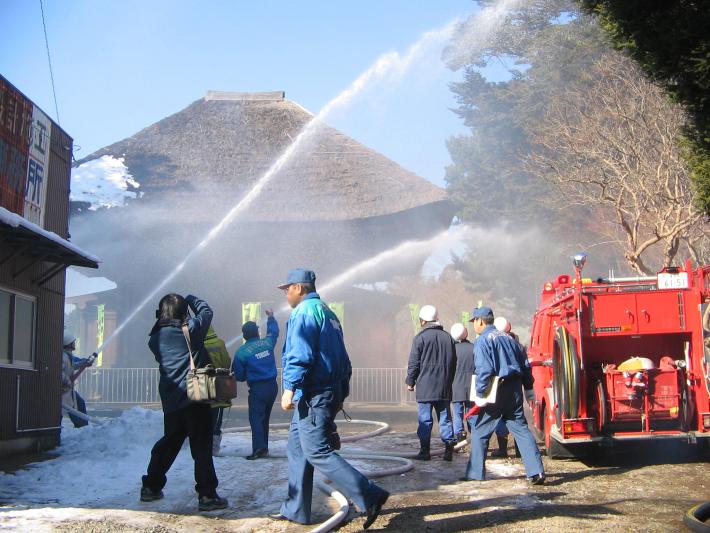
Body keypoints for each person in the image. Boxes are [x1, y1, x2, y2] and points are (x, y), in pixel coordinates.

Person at [275, 268, 388, 529]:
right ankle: (296, 509)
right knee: (297, 449)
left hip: (313, 393)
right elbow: (344, 360)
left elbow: (300, 353)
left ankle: (370, 496)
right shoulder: (328, 312)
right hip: (322, 391)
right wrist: (340, 392)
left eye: (287, 288)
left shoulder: (303, 312)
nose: (285, 294)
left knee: (316, 451)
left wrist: (289, 387)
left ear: (300, 288)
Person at [140, 293, 228, 511]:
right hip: (195, 398)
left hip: (171, 400)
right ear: (182, 311)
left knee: (169, 443)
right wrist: (191, 298)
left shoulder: (155, 337)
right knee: (201, 448)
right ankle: (207, 495)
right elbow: (207, 311)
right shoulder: (190, 330)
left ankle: (151, 486)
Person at [461, 306, 545, 485]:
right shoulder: (509, 338)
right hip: (514, 389)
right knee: (521, 430)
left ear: (481, 321)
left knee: (480, 431)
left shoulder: (483, 341)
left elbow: (484, 369)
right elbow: (524, 365)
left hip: (495, 388)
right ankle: (536, 471)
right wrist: (528, 388)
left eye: (474, 321)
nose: (474, 325)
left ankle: (475, 473)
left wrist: (481, 394)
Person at [405, 305, 457, 461]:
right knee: (445, 419)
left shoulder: (419, 338)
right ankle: (448, 451)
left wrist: (410, 381)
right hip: (444, 387)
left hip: (425, 387)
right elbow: (454, 362)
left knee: (425, 419)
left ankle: (425, 451)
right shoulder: (448, 338)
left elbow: (414, 363)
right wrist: (449, 380)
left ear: (422, 321)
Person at [233, 309, 279, 460]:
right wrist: (271, 317)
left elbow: (238, 375)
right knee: (264, 418)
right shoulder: (267, 342)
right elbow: (274, 332)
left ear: (245, 335)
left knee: (256, 418)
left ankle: (259, 448)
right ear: (257, 333)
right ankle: (263, 447)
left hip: (258, 389)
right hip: (273, 387)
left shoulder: (241, 352)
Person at [203, 325, 232, 456]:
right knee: (218, 414)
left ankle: (203, 444)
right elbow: (226, 361)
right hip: (219, 383)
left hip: (204, 385)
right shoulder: (220, 343)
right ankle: (214, 447)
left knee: (205, 415)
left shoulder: (199, 344)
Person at [61, 331, 95, 428]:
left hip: (67, 390)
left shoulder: (68, 356)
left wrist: (86, 361)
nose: (74, 343)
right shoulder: (63, 357)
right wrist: (67, 382)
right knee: (68, 408)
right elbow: (59, 373)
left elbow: (76, 363)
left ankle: (83, 427)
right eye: (73, 342)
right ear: (68, 343)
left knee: (78, 404)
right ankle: (82, 427)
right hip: (63, 390)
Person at [450, 323, 474, 445]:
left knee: (457, 414)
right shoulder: (474, 348)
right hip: (472, 387)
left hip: (456, 387)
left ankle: (459, 438)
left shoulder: (451, 350)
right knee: (471, 413)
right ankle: (474, 436)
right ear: (466, 333)